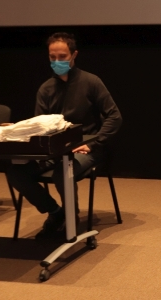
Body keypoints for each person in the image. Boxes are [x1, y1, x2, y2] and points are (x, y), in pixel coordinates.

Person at [7, 32, 122, 239]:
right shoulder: (46, 89)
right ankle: (55, 212)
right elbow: (40, 126)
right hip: (54, 151)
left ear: (74, 55)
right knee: (17, 173)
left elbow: (115, 116)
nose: (57, 61)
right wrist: (17, 129)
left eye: (62, 57)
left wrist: (94, 142)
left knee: (63, 172)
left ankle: (71, 219)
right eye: (52, 57)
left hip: (86, 148)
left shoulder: (91, 82)